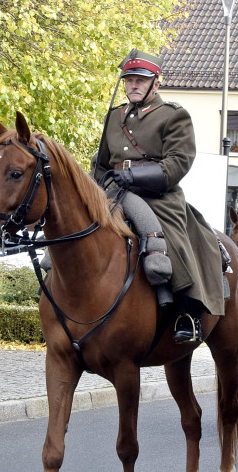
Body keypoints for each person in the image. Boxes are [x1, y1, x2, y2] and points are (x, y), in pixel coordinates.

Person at [90, 49, 224, 344]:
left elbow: (178, 163)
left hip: (157, 196)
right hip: (113, 192)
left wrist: (135, 176)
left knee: (170, 238)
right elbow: (100, 164)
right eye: (129, 80)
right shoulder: (114, 117)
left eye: (141, 80)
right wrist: (95, 187)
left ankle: (187, 311)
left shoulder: (173, 116)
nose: (133, 85)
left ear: (156, 83)